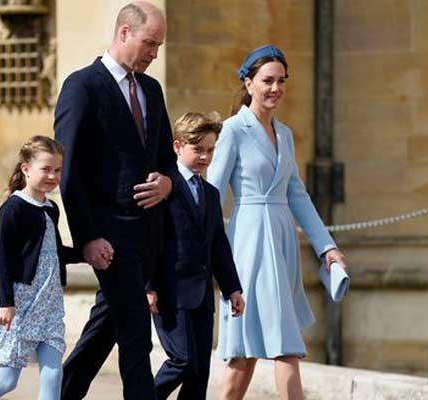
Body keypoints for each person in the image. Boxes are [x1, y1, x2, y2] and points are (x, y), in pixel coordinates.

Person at [206, 45, 348, 400]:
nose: (275, 88)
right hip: (249, 244)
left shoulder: (284, 134)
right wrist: (200, 252)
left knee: (248, 351)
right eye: (267, 80)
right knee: (279, 345)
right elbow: (211, 196)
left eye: (281, 81)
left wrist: (327, 247)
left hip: (282, 243)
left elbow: (298, 194)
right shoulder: (233, 131)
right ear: (248, 82)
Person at [53, 2, 176, 399]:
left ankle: (60, 395)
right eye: (149, 43)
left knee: (104, 328)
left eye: (159, 46)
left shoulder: (152, 90)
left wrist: (168, 184)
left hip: (147, 238)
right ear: (124, 32)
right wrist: (87, 237)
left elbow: (167, 161)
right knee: (137, 335)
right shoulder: (82, 86)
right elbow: (68, 174)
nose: (154, 54)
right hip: (108, 238)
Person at [0, 135, 79, 400]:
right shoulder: (13, 209)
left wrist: (87, 253)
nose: (52, 176)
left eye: (57, 170)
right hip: (22, 304)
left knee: (53, 374)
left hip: (50, 304)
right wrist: (7, 303)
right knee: (6, 381)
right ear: (26, 169)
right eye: (46, 169)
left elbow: (54, 252)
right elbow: (3, 260)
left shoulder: (51, 208)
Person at [152, 112, 245, 400]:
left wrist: (232, 288)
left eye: (210, 150)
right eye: (198, 150)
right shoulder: (163, 187)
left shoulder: (211, 194)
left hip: (202, 297)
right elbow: (149, 240)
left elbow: (218, 245)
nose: (205, 157)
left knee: (199, 371)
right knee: (181, 361)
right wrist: (147, 286)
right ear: (178, 147)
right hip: (170, 293)